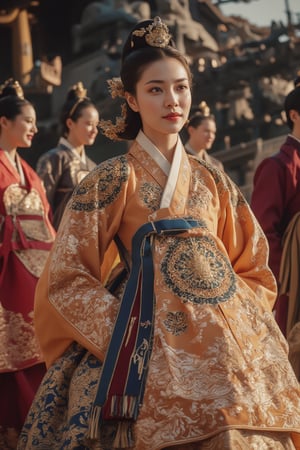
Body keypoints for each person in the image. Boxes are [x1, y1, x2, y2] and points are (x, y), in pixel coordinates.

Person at [18, 17, 300, 450]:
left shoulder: (213, 179)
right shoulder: (112, 178)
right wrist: (127, 334)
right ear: (130, 98)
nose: (173, 100)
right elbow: (68, 276)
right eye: (155, 89)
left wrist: (238, 319)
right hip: (145, 333)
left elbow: (254, 263)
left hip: (225, 339)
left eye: (181, 86)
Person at [0, 79, 56, 449]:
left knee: (39, 354)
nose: (35, 128)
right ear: (4, 122)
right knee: (11, 357)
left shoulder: (29, 172)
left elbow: (47, 219)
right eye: (28, 120)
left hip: (36, 274)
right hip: (6, 275)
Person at [251, 75, 300, 338]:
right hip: (294, 287)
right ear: (294, 115)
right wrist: (290, 278)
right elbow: (264, 235)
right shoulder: (278, 166)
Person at [36, 81, 99, 230]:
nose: (94, 130)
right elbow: (41, 205)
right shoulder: (54, 159)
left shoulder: (93, 166)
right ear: (70, 123)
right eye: (89, 124)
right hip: (59, 240)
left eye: (97, 124)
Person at [184, 101, 224, 170]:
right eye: (206, 131)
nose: (211, 136)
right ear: (191, 130)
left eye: (213, 132)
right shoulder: (179, 159)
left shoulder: (216, 165)